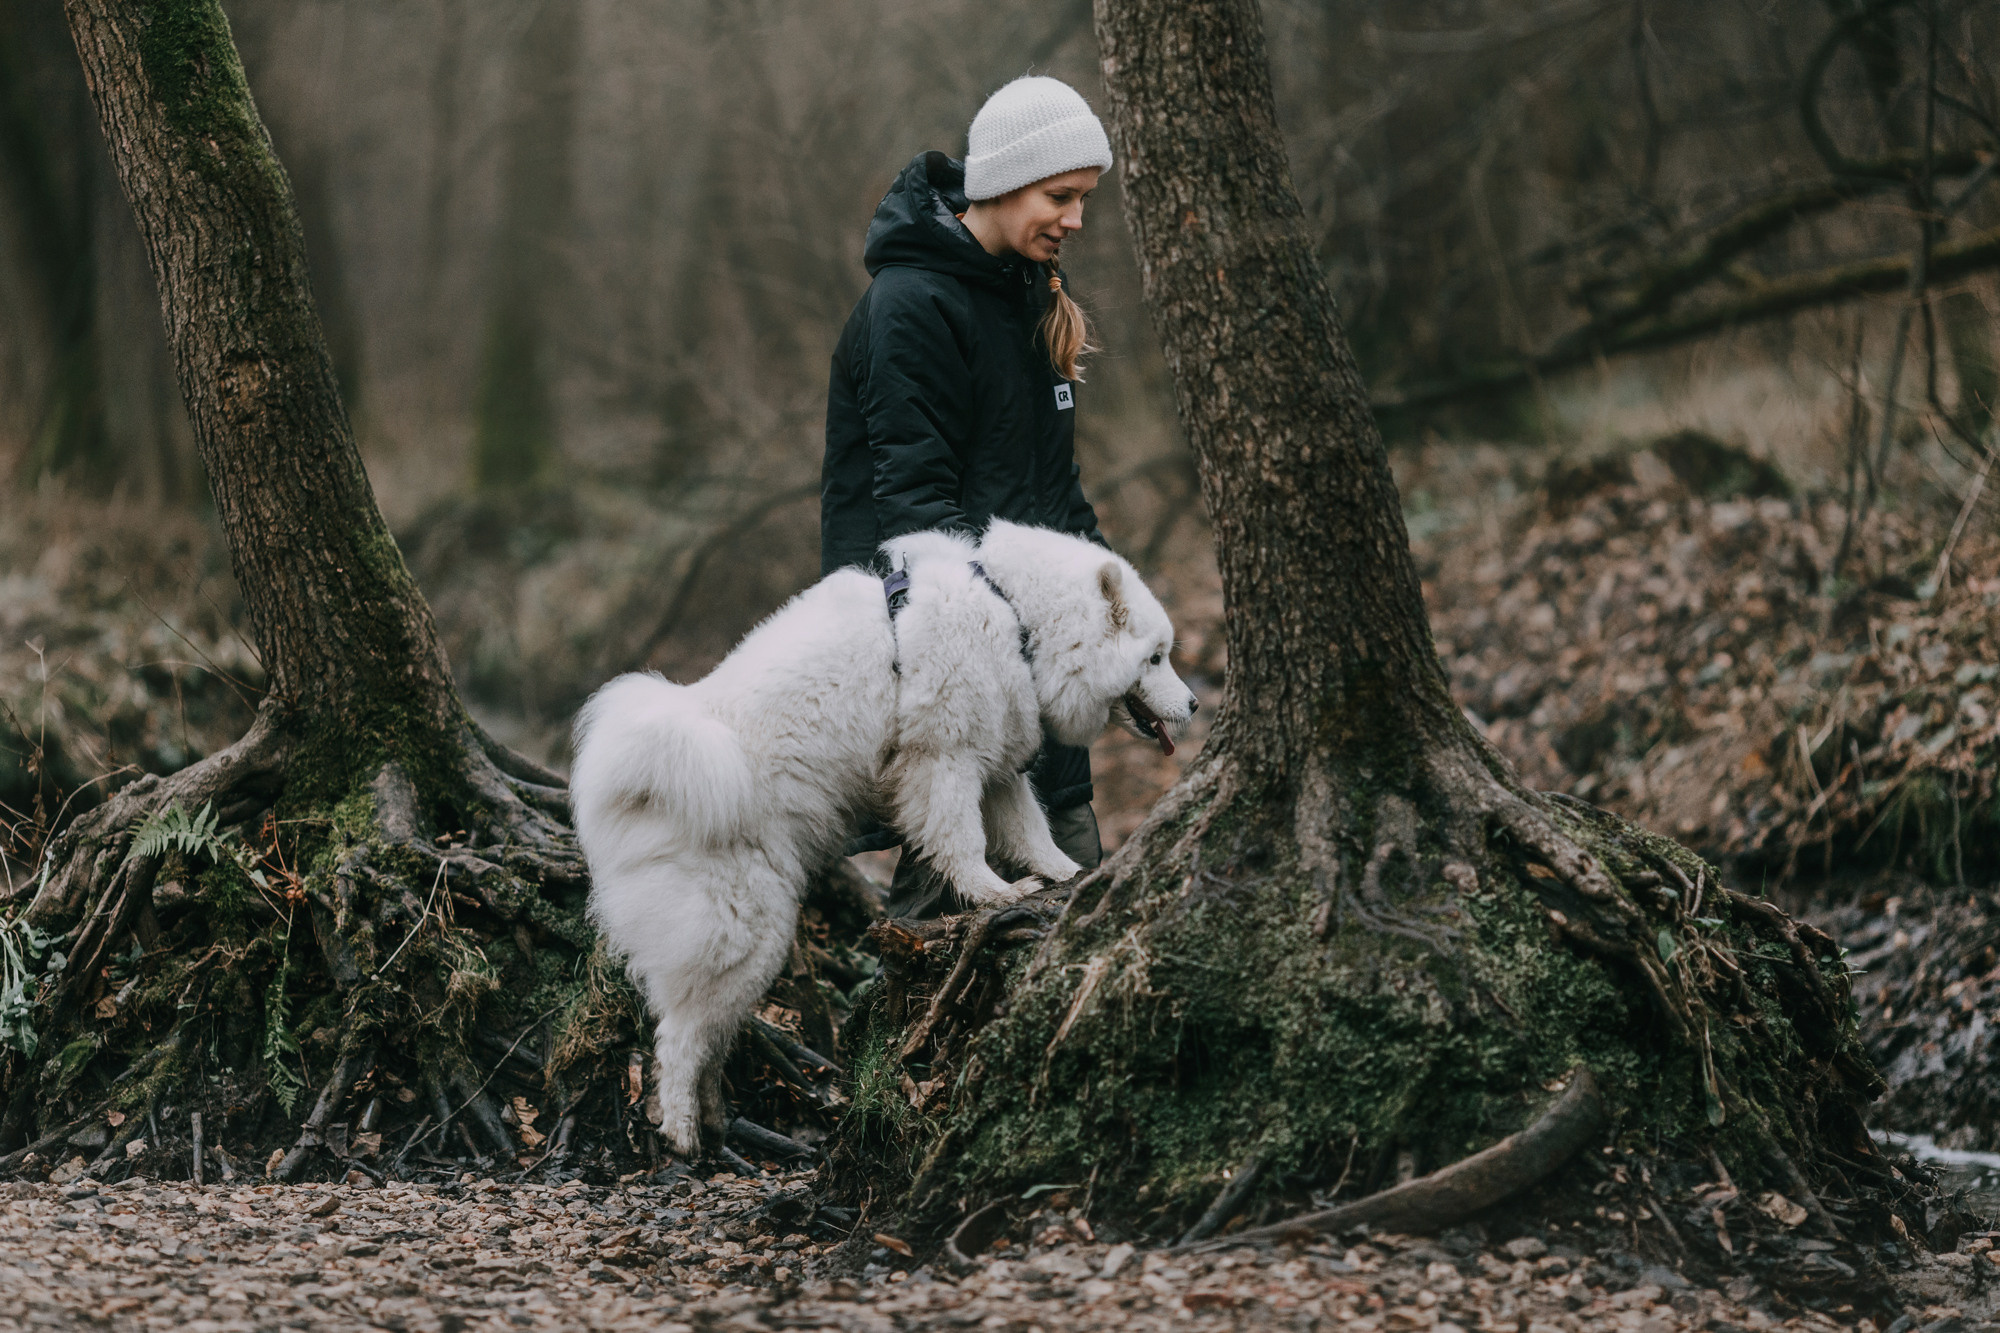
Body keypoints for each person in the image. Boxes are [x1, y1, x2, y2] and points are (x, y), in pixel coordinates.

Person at [820, 75, 1115, 917]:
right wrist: (1033, 630)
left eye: (1084, 199)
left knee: (1070, 888)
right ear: (1003, 182)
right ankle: (896, 1048)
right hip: (949, 669)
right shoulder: (910, 307)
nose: (1077, 220)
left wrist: (1114, 624)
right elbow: (916, 517)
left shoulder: (1027, 292)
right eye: (1062, 196)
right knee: (946, 907)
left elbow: (1059, 498)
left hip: (1034, 670)